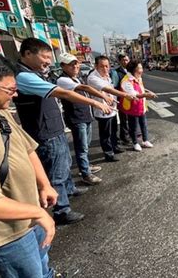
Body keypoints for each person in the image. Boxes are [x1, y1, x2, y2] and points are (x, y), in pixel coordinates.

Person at [0, 47, 73, 278]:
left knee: (40, 260)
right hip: (3, 230)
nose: (15, 95)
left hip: (30, 210)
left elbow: (26, 148)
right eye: (9, 89)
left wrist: (44, 183)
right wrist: (37, 214)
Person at [14, 38, 112, 225]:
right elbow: (64, 93)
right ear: (27, 54)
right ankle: (61, 210)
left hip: (54, 128)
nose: (48, 62)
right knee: (56, 172)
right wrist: (95, 101)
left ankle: (69, 188)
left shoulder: (35, 73)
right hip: (45, 131)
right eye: (44, 57)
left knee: (65, 162)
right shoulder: (24, 77)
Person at [57, 53, 114, 185]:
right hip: (77, 118)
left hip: (85, 116)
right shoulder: (63, 80)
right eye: (71, 64)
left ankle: (86, 166)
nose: (75, 66)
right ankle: (85, 173)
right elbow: (85, 88)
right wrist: (103, 98)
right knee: (81, 147)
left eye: (76, 63)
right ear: (63, 66)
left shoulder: (76, 78)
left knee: (86, 145)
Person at [87, 56, 136, 162]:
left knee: (113, 130)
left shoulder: (107, 76)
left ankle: (115, 147)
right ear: (96, 66)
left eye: (107, 66)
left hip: (112, 109)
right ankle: (108, 153)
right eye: (102, 66)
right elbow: (108, 89)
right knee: (106, 134)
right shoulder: (93, 78)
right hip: (102, 110)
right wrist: (125, 95)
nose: (105, 69)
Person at [121, 61, 157, 152]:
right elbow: (133, 94)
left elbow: (141, 89)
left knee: (143, 124)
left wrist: (148, 92)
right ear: (134, 70)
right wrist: (146, 95)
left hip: (141, 106)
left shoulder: (138, 78)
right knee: (133, 127)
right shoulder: (126, 81)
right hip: (132, 107)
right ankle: (135, 143)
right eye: (140, 68)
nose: (142, 70)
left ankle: (145, 140)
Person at [114, 54, 131, 145]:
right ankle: (124, 137)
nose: (126, 62)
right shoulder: (116, 72)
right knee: (124, 118)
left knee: (131, 117)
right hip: (122, 98)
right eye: (123, 60)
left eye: (127, 60)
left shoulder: (131, 71)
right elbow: (115, 87)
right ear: (120, 61)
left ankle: (131, 134)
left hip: (132, 98)